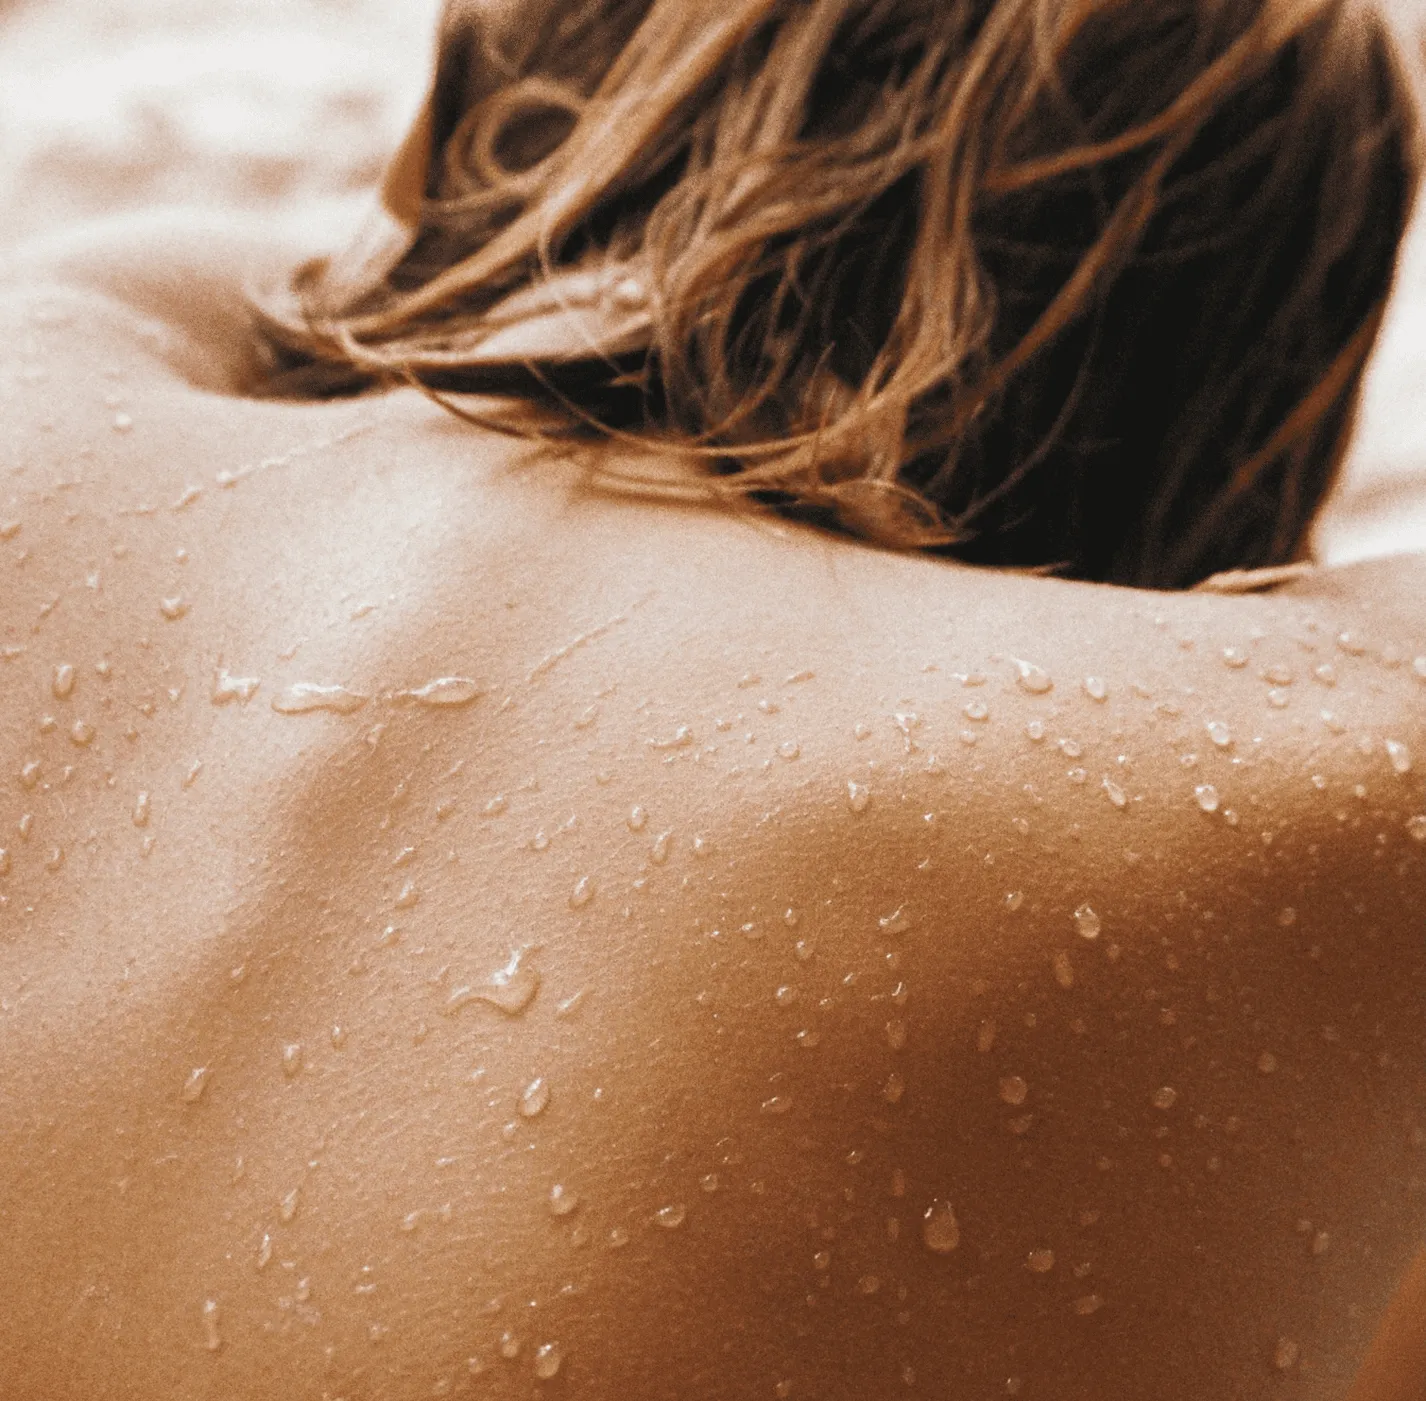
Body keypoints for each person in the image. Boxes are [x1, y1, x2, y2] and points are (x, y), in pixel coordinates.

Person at [0, 1, 1422, 1398]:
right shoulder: (1299, 764)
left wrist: (573, 208)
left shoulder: (39, 394)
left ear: (452, 126)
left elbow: (311, 255)